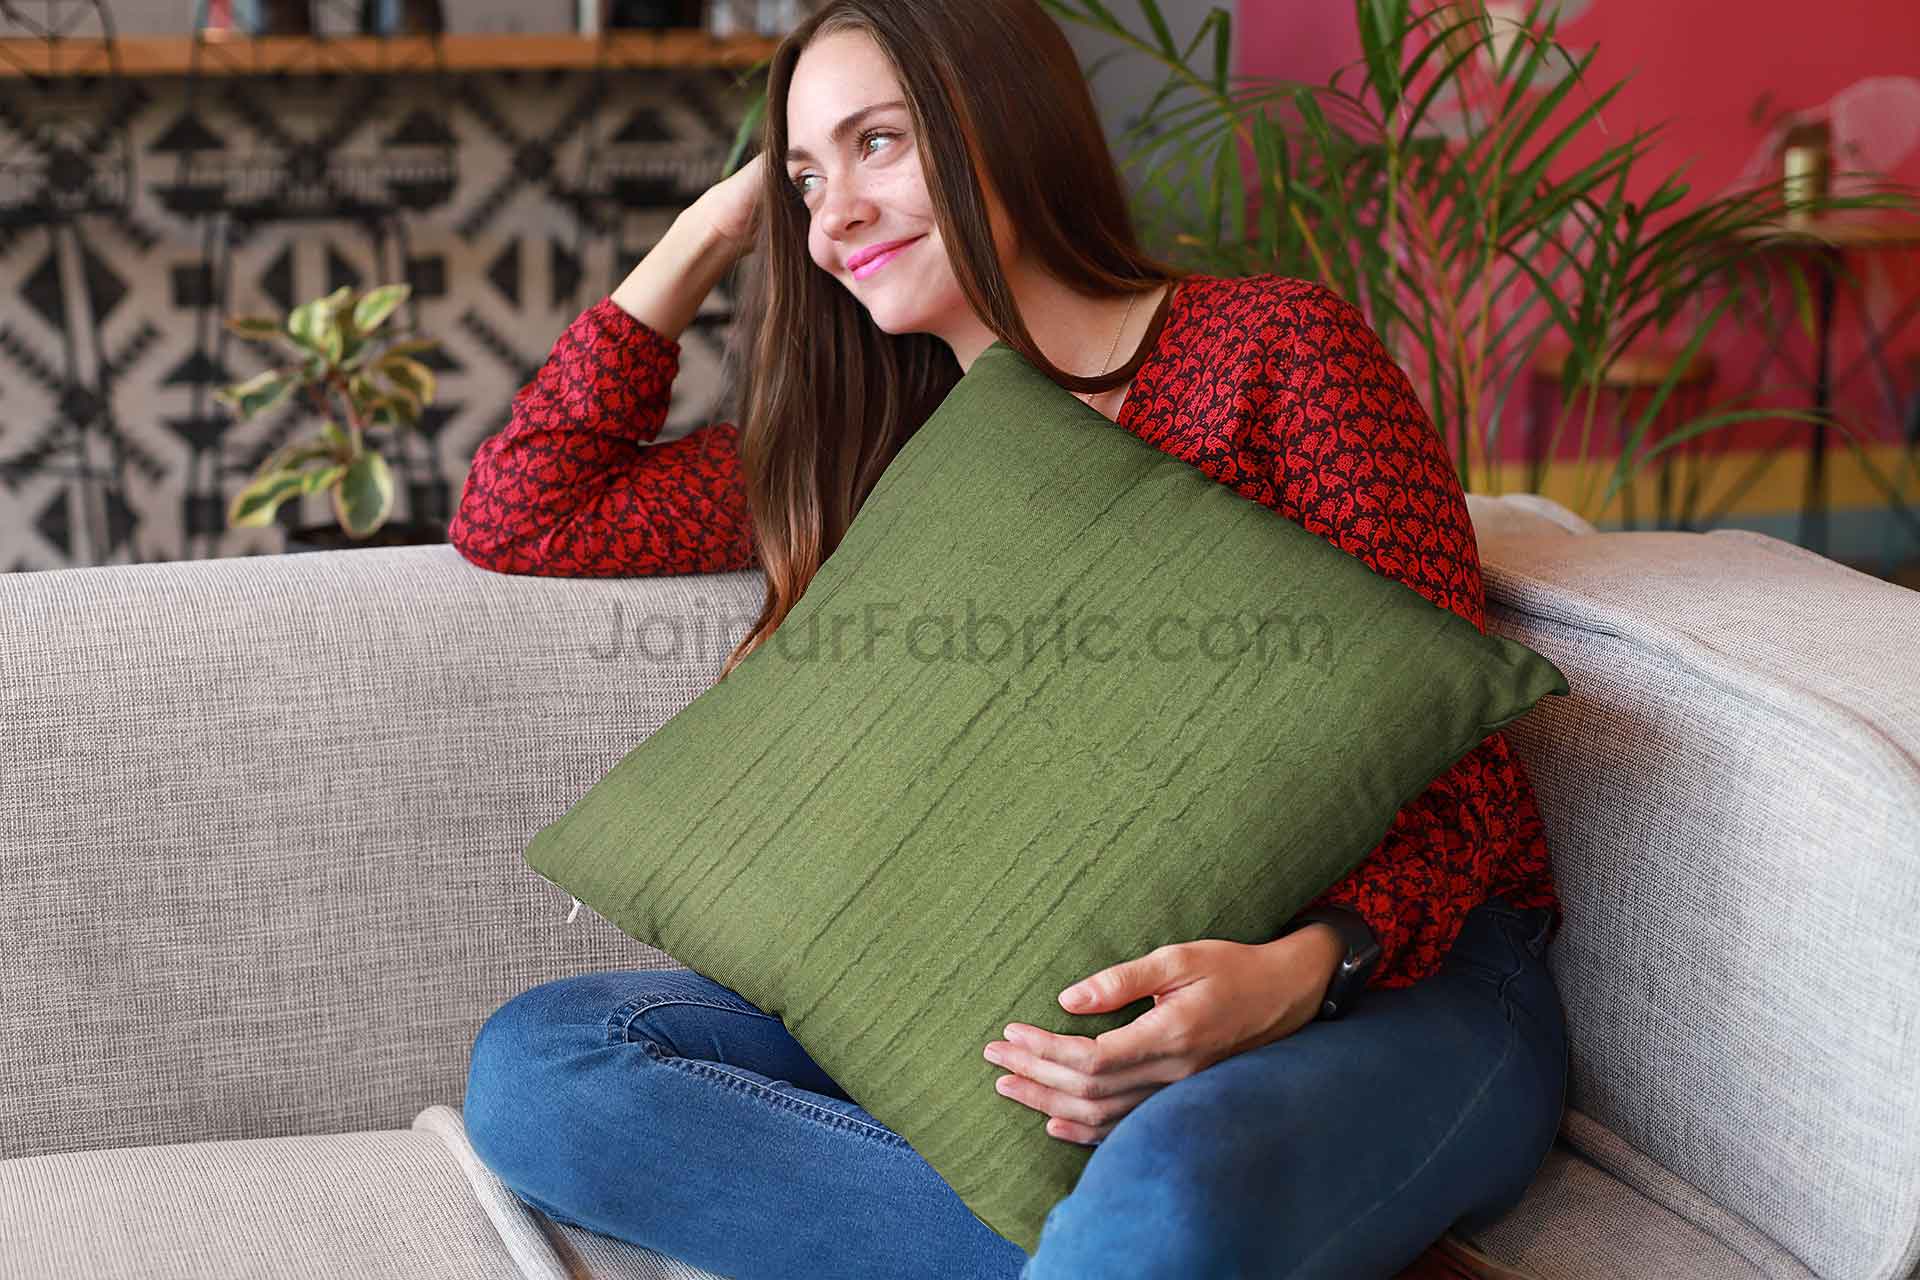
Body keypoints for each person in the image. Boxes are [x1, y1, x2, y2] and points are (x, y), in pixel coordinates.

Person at [457, 2, 1569, 1276]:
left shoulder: (1273, 352)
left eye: (878, 142)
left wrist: (1299, 970)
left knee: (1171, 1175)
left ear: (1004, 120)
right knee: (550, 1065)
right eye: (803, 180)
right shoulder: (860, 449)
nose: (832, 218)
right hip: (999, 1010)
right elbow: (522, 509)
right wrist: (714, 223)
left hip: (1394, 986)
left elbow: (1454, 755)